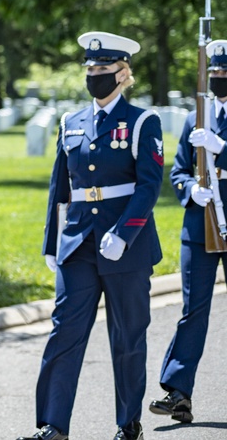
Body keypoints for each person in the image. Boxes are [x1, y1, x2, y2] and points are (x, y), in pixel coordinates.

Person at [18, 32, 164, 440]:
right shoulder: (71, 123)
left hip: (125, 246)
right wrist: (52, 243)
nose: (95, 75)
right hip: (78, 242)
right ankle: (53, 425)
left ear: (123, 74)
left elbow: (150, 186)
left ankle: (128, 422)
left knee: (128, 335)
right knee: (64, 331)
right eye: (91, 69)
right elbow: (59, 187)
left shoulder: (141, 122)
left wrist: (125, 233)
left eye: (103, 69)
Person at [149, 38, 227, 424]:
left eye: (224, 74)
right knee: (193, 310)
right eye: (213, 73)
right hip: (200, 225)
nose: (218, 80)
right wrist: (190, 190)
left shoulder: (214, 125)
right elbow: (178, 169)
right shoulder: (195, 115)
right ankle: (179, 393)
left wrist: (222, 148)